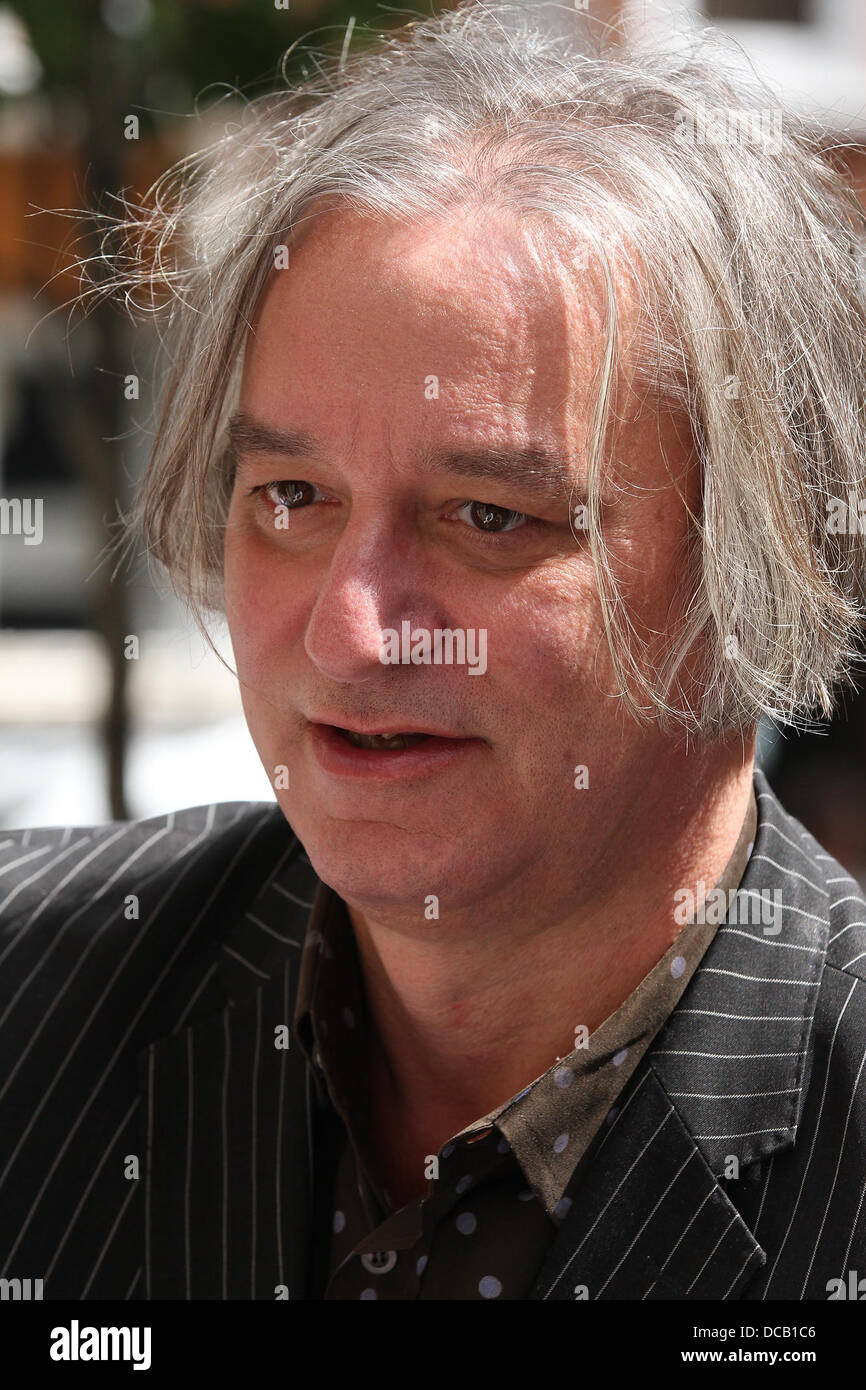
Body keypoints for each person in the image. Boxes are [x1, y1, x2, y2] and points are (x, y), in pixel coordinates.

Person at [2, 1, 866, 1301]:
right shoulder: (32, 991)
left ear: (752, 558)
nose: (352, 632)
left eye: (486, 518)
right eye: (291, 496)